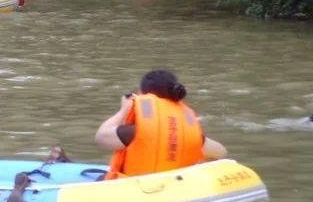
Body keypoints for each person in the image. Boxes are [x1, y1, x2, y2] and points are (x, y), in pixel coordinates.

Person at [95, 69, 227, 179]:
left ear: (142, 94)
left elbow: (100, 138)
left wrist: (124, 110)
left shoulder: (134, 132)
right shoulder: (193, 134)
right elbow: (221, 152)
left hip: (138, 194)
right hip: (176, 191)